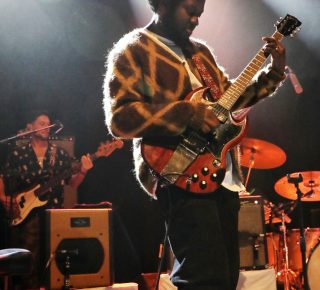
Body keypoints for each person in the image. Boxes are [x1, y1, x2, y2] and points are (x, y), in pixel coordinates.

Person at [103, 0, 286, 288]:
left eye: (200, 13)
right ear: (162, 4)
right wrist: (188, 113)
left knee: (226, 278)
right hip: (178, 172)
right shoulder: (133, 50)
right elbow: (120, 119)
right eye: (189, 10)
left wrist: (274, 73)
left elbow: (231, 100)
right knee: (202, 278)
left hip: (222, 176)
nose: (196, 19)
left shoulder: (201, 53)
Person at [0, 110, 93, 289]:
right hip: (27, 215)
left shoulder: (59, 154)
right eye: (41, 123)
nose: (46, 127)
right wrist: (2, 196)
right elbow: (3, 176)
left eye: (48, 124)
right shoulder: (18, 153)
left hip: (53, 212)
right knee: (31, 258)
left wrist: (83, 170)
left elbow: (72, 184)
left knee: (54, 254)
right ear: (31, 127)